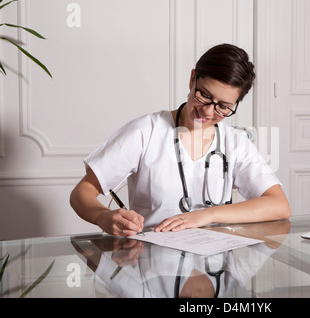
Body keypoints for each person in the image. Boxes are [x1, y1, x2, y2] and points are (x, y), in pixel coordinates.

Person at [70, 43, 290, 237]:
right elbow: (82, 193)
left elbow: (279, 205)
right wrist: (103, 217)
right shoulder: (146, 131)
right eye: (203, 95)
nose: (208, 111)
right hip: (153, 262)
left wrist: (205, 216)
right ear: (192, 78)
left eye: (223, 106)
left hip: (215, 266)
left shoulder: (236, 143)